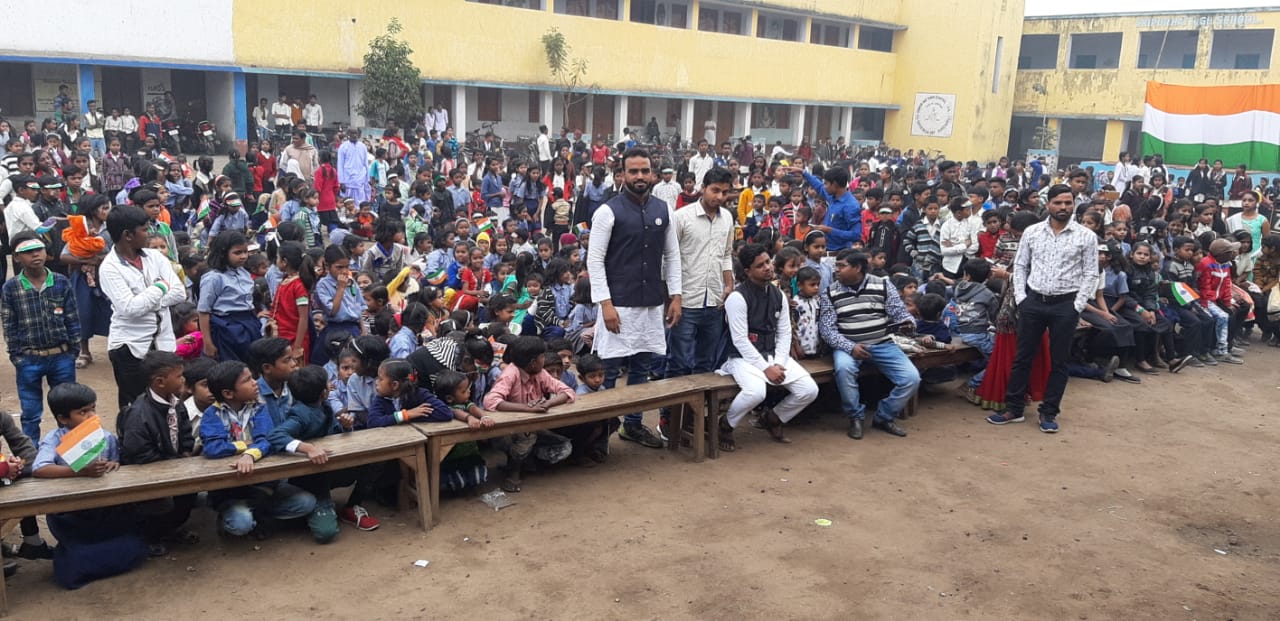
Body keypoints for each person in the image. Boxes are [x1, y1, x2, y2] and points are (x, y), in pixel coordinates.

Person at [587, 148, 682, 449]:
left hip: (651, 302)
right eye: (633, 171)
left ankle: (632, 425)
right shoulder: (607, 211)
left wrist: (676, 296)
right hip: (617, 303)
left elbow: (672, 256)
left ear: (652, 174)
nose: (639, 176)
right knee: (609, 371)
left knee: (642, 368)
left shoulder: (663, 209)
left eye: (644, 171)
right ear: (622, 174)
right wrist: (605, 304)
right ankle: (600, 433)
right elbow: (594, 261)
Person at [987, 185, 1100, 433]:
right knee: (1022, 357)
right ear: (1048, 205)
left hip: (1066, 304)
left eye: (1068, 203)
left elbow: (1091, 273)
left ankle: (1048, 412)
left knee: (1059, 361)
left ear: (1073, 205)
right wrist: (1022, 298)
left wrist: (1077, 305)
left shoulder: (1086, 236)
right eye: (1058, 203)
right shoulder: (1033, 232)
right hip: (1033, 302)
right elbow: (1021, 266)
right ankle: (1014, 408)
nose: (1063, 207)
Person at [717, 244, 818, 450]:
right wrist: (766, 368)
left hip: (773, 356)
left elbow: (784, 333)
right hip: (741, 358)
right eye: (760, 265)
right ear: (748, 271)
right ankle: (725, 425)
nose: (768, 267)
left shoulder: (778, 294)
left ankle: (772, 418)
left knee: (809, 390)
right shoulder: (737, 297)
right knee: (756, 392)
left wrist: (779, 363)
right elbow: (740, 340)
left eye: (768, 262)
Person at [200, 360, 318, 537]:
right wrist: (244, 444)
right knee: (241, 523)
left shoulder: (258, 408)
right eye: (247, 380)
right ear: (228, 393)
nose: (255, 383)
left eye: (252, 378)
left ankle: (258, 515)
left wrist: (249, 455)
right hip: (230, 488)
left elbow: (267, 439)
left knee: (306, 502)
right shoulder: (212, 415)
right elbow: (213, 447)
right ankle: (232, 517)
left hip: (262, 483)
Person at [818, 250, 916, 440]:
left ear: (857, 268)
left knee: (911, 378)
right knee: (844, 369)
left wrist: (909, 323)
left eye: (841, 266)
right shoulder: (830, 292)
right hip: (848, 345)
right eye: (836, 265)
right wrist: (850, 347)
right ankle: (855, 417)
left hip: (882, 343)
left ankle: (884, 417)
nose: (836, 270)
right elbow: (827, 330)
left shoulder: (883, 285)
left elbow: (900, 313)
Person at [98, 205, 186, 410]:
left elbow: (180, 293)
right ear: (128, 235)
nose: (149, 234)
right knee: (135, 406)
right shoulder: (109, 268)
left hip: (163, 344)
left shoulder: (155, 257)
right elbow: (129, 308)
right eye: (144, 230)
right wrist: (160, 287)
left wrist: (148, 300)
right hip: (130, 347)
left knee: (168, 400)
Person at [115, 351, 197, 554]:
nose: (183, 380)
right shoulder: (138, 414)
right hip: (148, 472)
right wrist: (172, 464)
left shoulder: (176, 403)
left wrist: (186, 451)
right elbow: (139, 453)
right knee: (159, 504)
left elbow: (185, 431)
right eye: (179, 376)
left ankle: (171, 529)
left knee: (188, 495)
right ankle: (151, 536)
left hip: (175, 465)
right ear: (160, 382)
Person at [2, 233, 79, 441]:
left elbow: (72, 318)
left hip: (61, 356)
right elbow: (9, 324)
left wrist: (73, 351)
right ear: (16, 257)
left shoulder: (61, 282)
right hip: (29, 358)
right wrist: (17, 356)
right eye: (27, 252)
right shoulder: (11, 288)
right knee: (30, 413)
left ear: (46, 252)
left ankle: (70, 449)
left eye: (38, 249)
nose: (35, 255)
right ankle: (32, 452)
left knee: (67, 408)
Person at [482, 336, 576, 492]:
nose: (544, 360)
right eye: (542, 357)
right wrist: (527, 408)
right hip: (508, 429)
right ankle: (514, 472)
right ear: (533, 362)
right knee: (526, 438)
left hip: (533, 425)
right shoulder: (510, 374)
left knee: (564, 447)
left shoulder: (540, 373)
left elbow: (567, 391)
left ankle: (527, 460)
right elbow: (491, 401)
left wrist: (547, 404)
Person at [669, 167, 735, 380]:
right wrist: (673, 297)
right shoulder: (681, 217)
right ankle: (674, 403)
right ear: (703, 188)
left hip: (715, 301)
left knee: (706, 362)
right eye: (715, 190)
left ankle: (699, 403)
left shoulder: (727, 218)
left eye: (725, 192)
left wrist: (729, 285)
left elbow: (726, 254)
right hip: (686, 300)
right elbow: (668, 258)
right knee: (679, 362)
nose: (720, 197)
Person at [198, 231, 261, 362]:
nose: (243, 256)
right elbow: (203, 312)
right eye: (237, 253)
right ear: (223, 253)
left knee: (252, 363)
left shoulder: (243, 273)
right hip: (226, 327)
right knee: (232, 366)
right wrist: (208, 343)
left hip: (248, 322)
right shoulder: (213, 278)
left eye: (245, 252)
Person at [801, 165, 862, 251]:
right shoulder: (833, 197)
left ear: (835, 184)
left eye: (826, 183)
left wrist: (830, 230)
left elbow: (856, 235)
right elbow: (819, 187)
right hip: (826, 250)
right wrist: (803, 173)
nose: (824, 186)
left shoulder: (851, 206)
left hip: (840, 253)